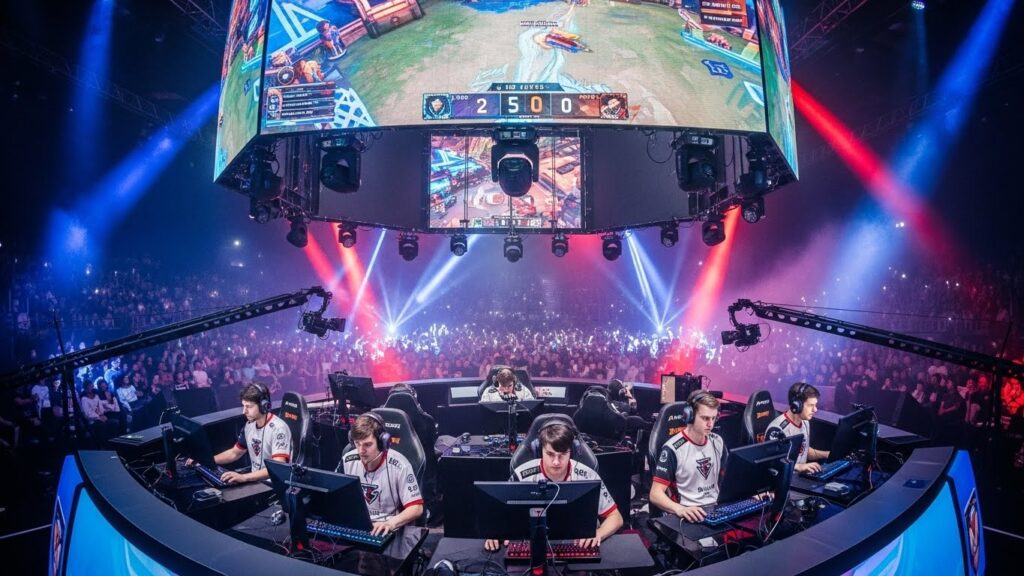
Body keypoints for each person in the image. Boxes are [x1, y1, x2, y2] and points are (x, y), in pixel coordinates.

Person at [485, 421, 622, 551]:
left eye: (562, 455)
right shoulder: (521, 475)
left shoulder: (589, 476)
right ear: (540, 450)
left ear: (571, 451)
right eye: (550, 454)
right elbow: (501, 515)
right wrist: (495, 532)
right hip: (532, 544)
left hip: (578, 545)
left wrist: (599, 534)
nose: (556, 462)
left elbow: (616, 517)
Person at [338, 413, 424, 537]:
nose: (361, 451)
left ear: (382, 442)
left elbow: (416, 508)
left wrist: (390, 523)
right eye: (357, 443)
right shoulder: (347, 460)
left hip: (388, 529)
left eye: (367, 444)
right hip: (359, 526)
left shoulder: (400, 465)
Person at [650, 390, 728, 523]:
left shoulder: (718, 442)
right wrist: (679, 509)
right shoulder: (673, 449)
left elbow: (729, 476)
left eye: (714, 418)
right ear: (689, 416)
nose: (710, 424)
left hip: (716, 509)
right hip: (689, 513)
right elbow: (655, 494)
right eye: (705, 418)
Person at [203, 383, 291, 484]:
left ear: (264, 406)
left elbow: (278, 468)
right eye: (244, 406)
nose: (244, 411)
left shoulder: (279, 429)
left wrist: (244, 477)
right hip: (255, 481)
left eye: (249, 407)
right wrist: (206, 461)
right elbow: (234, 453)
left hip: (274, 484)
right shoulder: (249, 426)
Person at [764, 382, 830, 474]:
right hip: (786, 480)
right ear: (796, 405)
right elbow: (772, 464)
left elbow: (804, 451)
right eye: (811, 405)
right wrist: (799, 467)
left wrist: (828, 454)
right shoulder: (777, 430)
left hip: (799, 478)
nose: (815, 410)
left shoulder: (805, 422)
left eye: (815, 405)